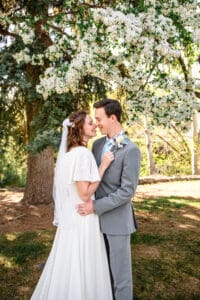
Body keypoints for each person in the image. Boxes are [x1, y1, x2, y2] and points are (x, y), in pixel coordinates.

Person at [31, 111, 114, 300]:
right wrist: (103, 166)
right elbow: (84, 193)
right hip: (83, 217)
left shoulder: (68, 154)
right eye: (90, 123)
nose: (94, 125)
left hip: (71, 216)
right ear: (79, 128)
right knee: (84, 261)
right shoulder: (83, 154)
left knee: (69, 261)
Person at [77, 99, 141, 300]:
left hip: (117, 222)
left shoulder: (131, 150)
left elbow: (126, 192)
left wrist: (95, 206)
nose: (96, 124)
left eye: (99, 119)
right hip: (94, 223)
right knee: (101, 273)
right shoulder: (96, 145)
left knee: (120, 277)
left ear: (113, 118)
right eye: (94, 120)